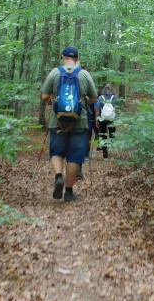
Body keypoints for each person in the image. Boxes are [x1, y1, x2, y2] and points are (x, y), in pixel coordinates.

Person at [40, 47, 96, 202]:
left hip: (56, 122)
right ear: (77, 59)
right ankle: (69, 192)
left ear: (63, 57)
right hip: (79, 123)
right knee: (74, 157)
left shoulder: (54, 72)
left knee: (56, 152)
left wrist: (53, 102)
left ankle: (59, 177)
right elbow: (93, 99)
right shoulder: (84, 74)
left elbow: (44, 96)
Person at [94, 83, 119, 158]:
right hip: (112, 119)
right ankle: (111, 151)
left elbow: (97, 109)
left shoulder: (100, 98)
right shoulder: (114, 97)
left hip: (102, 119)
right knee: (112, 135)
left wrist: (97, 120)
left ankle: (105, 153)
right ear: (112, 90)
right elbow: (117, 108)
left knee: (103, 135)